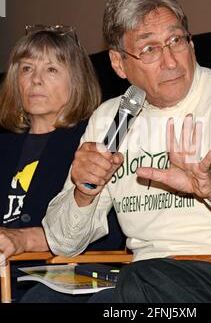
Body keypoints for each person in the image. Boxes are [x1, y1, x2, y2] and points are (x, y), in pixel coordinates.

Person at [22, 0, 211, 303]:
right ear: (118, 63)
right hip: (144, 280)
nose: (170, 61)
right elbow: (62, 242)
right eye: (150, 48)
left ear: (191, 44)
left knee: (137, 286)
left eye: (176, 41)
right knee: (40, 299)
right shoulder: (111, 120)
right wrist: (83, 191)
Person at [0, 25, 124, 302]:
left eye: (51, 70)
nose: (36, 80)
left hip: (68, 280)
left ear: (76, 81)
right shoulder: (4, 146)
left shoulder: (92, 144)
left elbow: (107, 231)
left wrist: (22, 239)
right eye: (27, 69)